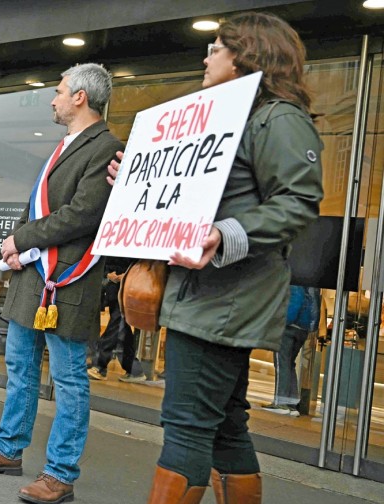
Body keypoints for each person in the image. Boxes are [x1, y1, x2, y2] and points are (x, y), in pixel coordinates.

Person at [104, 13, 323, 503]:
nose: (206, 57)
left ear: (246, 56)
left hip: (222, 301)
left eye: (216, 48)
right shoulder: (234, 121)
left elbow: (299, 201)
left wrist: (222, 235)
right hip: (209, 297)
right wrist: (137, 184)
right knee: (224, 425)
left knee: (187, 426)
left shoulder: (278, 118)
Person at [0, 63, 122, 504]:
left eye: (59, 91)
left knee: (68, 380)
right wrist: (16, 247)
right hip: (34, 276)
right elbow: (44, 212)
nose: (53, 99)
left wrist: (20, 237)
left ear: (81, 97)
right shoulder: (65, 145)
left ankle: (60, 473)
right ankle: (8, 450)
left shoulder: (105, 146)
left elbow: (82, 215)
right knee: (21, 369)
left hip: (70, 278)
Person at [263, 285, 320, 416]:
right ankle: (292, 404)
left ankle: (280, 402)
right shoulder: (312, 285)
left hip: (288, 327)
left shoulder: (296, 280)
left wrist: (281, 322)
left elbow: (295, 302)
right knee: (289, 364)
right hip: (302, 329)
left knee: (281, 363)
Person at [88, 256, 145, 382]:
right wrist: (108, 274)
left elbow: (143, 262)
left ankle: (100, 365)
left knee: (116, 324)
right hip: (114, 287)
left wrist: (129, 275)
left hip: (129, 287)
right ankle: (134, 369)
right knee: (122, 326)